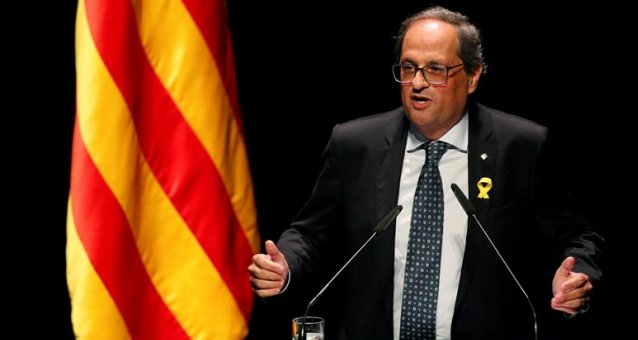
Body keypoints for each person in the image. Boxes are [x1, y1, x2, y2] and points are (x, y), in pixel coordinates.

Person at [248, 5, 604, 340]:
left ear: (473, 75)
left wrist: (576, 277)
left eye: (435, 69)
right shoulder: (355, 144)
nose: (417, 83)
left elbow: (576, 236)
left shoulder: (520, 147)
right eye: (408, 68)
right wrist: (285, 265)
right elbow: (310, 233)